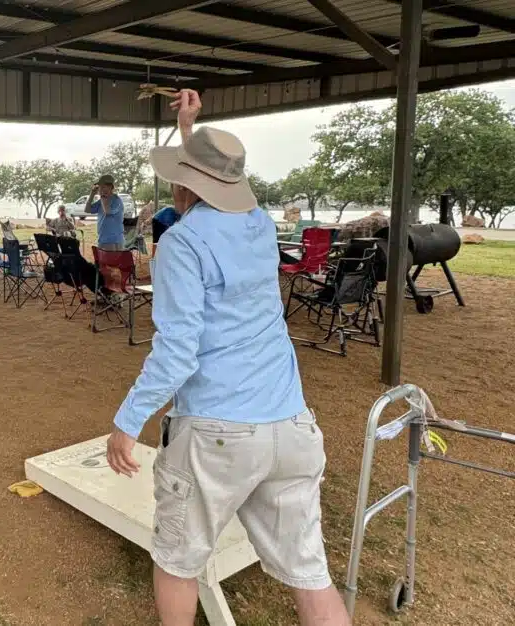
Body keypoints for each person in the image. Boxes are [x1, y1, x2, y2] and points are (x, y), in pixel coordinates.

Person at [105, 89, 350, 626]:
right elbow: (210, 184)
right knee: (311, 575)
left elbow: (178, 350)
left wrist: (127, 422)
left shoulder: (182, 244)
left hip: (218, 430)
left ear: (183, 184)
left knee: (177, 562)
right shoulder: (260, 225)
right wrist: (191, 131)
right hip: (291, 424)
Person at [84, 174, 124, 251]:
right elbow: (87, 210)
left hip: (114, 241)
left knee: (111, 259)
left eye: (103, 187)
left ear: (111, 187)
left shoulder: (117, 200)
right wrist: (92, 194)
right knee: (101, 259)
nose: (100, 189)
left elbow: (107, 212)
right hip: (102, 239)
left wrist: (102, 197)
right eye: (100, 187)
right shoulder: (101, 201)